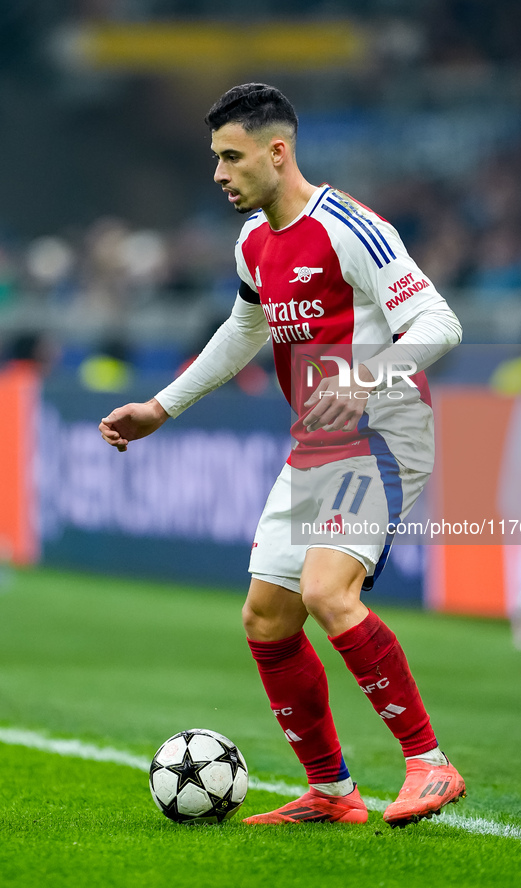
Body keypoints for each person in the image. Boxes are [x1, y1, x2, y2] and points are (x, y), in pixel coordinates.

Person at [99, 83, 465, 827]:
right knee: (266, 617)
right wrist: (160, 409)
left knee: (330, 592)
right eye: (214, 158)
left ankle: (430, 764)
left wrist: (367, 377)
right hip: (316, 444)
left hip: (383, 433)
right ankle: (331, 791)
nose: (218, 173)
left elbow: (439, 319)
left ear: (278, 151)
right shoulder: (253, 242)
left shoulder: (350, 228)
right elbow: (241, 333)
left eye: (231, 157)